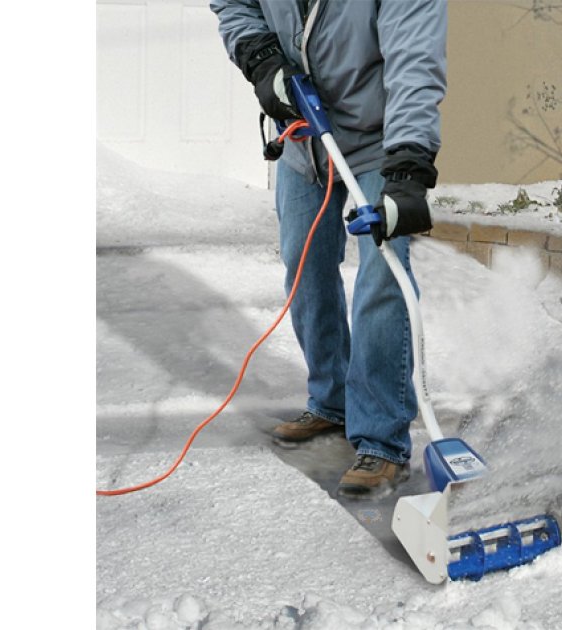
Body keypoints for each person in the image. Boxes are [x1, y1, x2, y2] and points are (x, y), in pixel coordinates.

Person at [210, 0, 446, 499]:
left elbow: (414, 60)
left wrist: (407, 168)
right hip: (302, 141)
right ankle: (331, 400)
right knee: (304, 265)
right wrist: (259, 55)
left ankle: (382, 440)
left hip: (380, 138)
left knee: (382, 276)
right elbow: (233, 4)